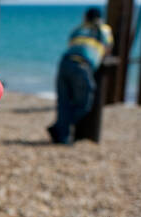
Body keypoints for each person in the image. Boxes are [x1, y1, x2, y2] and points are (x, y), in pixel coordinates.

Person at [48, 8, 112, 144]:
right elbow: (108, 48)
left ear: (85, 17)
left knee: (63, 102)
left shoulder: (78, 29)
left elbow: (72, 44)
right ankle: (60, 128)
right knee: (85, 102)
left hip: (65, 62)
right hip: (83, 65)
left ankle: (62, 135)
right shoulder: (104, 29)